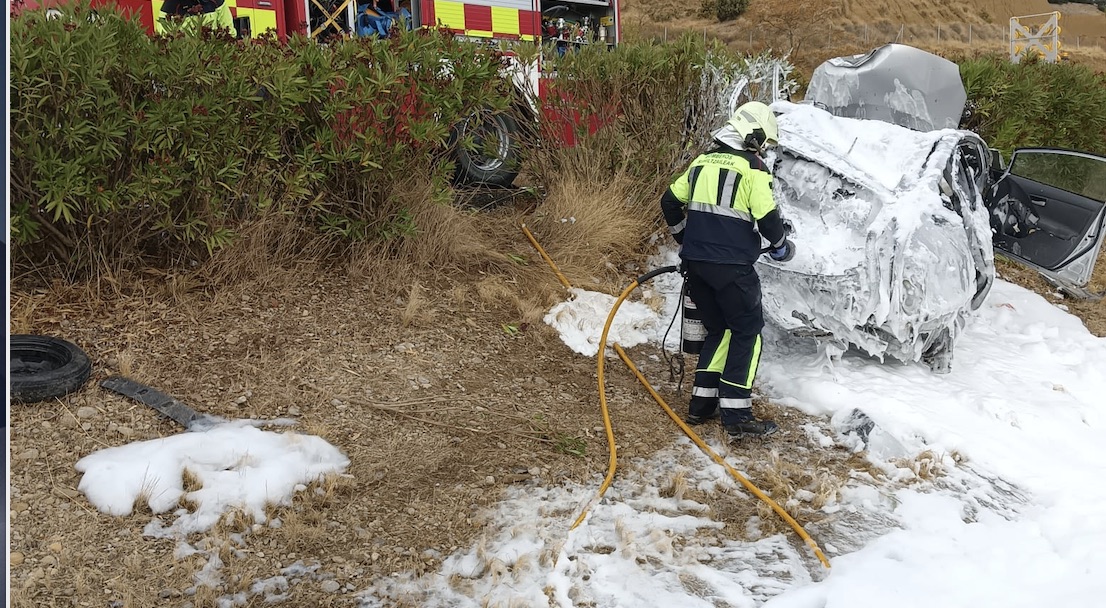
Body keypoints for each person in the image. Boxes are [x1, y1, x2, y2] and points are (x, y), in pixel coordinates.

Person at [660, 101, 795, 438]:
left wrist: (683, 238)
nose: (763, 150)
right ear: (754, 136)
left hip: (696, 267)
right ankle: (737, 416)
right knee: (748, 332)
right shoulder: (753, 169)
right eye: (763, 143)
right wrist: (781, 246)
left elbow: (669, 202)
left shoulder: (701, 162)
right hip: (732, 270)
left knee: (720, 331)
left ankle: (701, 406)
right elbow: (767, 219)